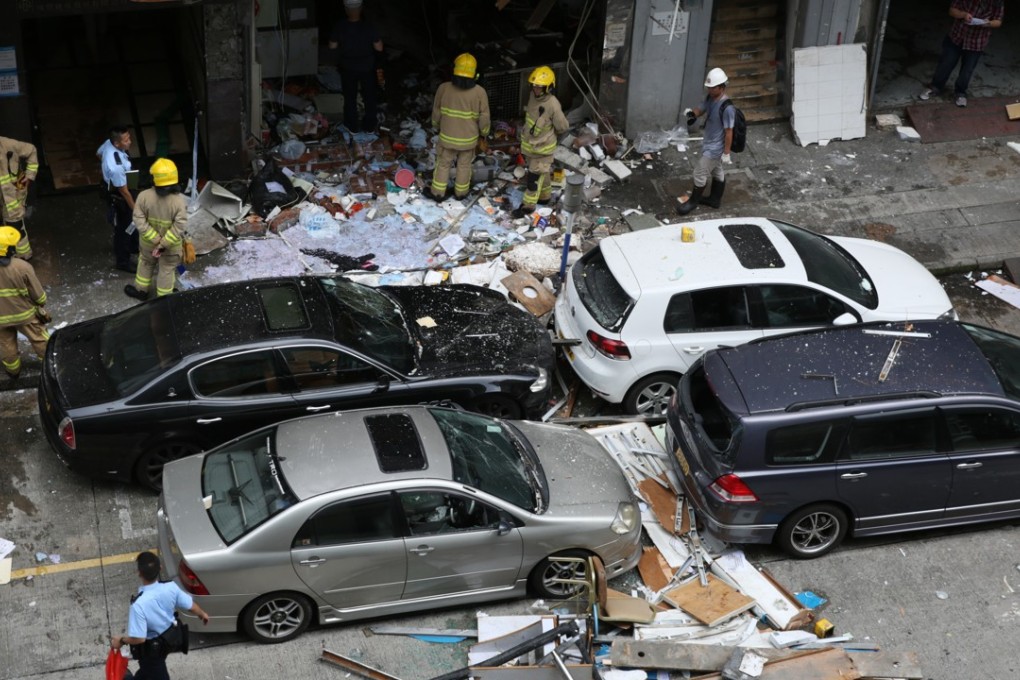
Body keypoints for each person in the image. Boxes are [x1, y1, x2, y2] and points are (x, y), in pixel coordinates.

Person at [111, 551, 209, 680]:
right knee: (152, 673)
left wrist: (121, 641)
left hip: (153, 649)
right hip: (167, 642)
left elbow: (139, 639)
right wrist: (202, 614)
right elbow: (190, 605)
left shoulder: (138, 605)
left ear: (139, 573)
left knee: (151, 672)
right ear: (160, 569)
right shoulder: (171, 587)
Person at [427, 53, 491, 202]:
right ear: (474, 73)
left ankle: (437, 193)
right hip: (468, 140)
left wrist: (436, 126)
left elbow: (436, 111)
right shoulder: (480, 92)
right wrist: (484, 133)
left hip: (447, 138)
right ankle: (460, 194)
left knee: (443, 164)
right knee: (464, 165)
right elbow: (484, 117)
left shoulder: (443, 88)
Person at [919, 0, 1005, 108]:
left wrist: (988, 23)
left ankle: (960, 93)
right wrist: (963, 15)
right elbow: (952, 10)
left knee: (967, 70)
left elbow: (998, 21)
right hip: (957, 36)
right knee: (945, 63)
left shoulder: (997, 2)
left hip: (976, 42)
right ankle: (935, 87)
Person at [125, 159, 187, 301]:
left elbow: (138, 219)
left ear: (154, 178)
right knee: (167, 269)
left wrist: (154, 239)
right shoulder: (179, 201)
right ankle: (164, 297)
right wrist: (163, 244)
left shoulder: (143, 196)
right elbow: (180, 226)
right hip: (170, 246)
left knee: (145, 263)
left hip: (148, 243)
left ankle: (141, 291)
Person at [676, 67, 735, 216]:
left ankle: (693, 202)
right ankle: (714, 200)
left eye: (712, 87)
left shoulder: (727, 108)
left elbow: (729, 132)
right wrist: (692, 114)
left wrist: (726, 152)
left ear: (721, 87)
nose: (709, 89)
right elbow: (701, 108)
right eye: (708, 87)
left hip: (716, 147)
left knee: (700, 172)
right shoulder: (711, 98)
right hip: (709, 142)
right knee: (717, 171)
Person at [513, 66, 569, 219]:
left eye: (540, 87)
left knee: (533, 178)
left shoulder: (553, 104)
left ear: (548, 87)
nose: (536, 90)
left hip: (543, 150)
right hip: (531, 147)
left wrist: (549, 135)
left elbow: (563, 126)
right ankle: (545, 197)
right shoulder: (532, 97)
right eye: (535, 86)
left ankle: (528, 206)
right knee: (543, 174)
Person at [0, 225, 48, 380]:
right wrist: (41, 304)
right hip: (24, 314)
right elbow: (39, 296)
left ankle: (13, 372)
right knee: (39, 338)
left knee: (7, 345)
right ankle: (48, 364)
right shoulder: (22, 267)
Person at [328, 0, 384, 132]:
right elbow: (379, 47)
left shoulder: (340, 26)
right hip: (367, 67)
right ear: (361, 8)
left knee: (350, 98)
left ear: (346, 9)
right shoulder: (368, 26)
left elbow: (332, 46)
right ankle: (369, 126)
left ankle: (351, 126)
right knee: (369, 97)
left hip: (348, 67)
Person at [97, 125, 139, 273]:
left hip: (121, 186)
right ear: (117, 143)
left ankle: (135, 246)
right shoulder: (116, 167)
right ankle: (123, 261)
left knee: (132, 224)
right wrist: (135, 208)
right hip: (121, 196)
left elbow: (99, 153)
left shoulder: (108, 144)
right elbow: (124, 191)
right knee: (124, 228)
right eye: (126, 140)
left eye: (129, 137)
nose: (130, 142)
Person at [0, 135, 39, 260]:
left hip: (12, 195)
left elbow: (31, 150)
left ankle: (23, 256)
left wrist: (29, 175)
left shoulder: (7, 144)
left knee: (15, 225)